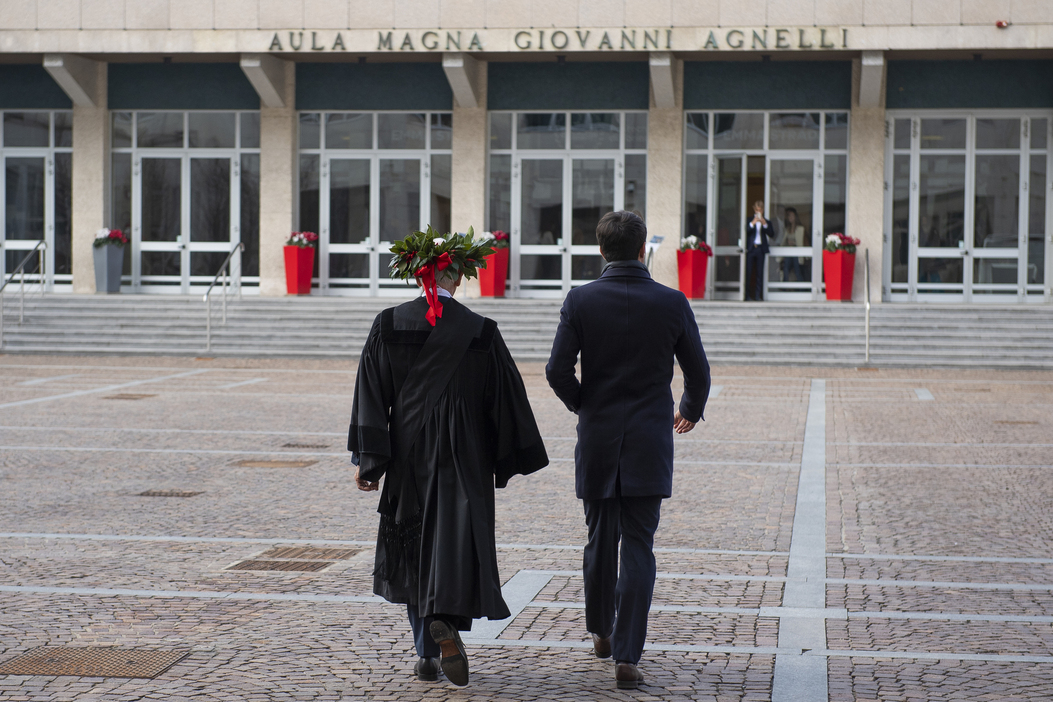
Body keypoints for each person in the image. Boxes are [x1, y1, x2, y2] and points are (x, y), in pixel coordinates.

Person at [348, 227, 549, 688]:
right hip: (466, 457)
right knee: (455, 546)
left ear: (417, 276)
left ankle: (425, 653)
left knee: (414, 547)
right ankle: (447, 630)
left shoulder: (388, 323)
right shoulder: (481, 331)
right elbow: (505, 400)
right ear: (457, 278)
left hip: (407, 453)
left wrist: (370, 458)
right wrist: (506, 457)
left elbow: (371, 396)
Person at [546, 211, 711, 690]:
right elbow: (698, 372)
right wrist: (690, 410)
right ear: (643, 250)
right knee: (638, 544)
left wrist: (586, 406)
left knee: (600, 537)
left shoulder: (580, 300)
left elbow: (557, 370)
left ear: (602, 251)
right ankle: (627, 654)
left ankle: (600, 629)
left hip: (598, 436)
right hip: (648, 440)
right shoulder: (671, 301)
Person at [745, 200, 774, 300]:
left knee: (759, 273)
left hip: (760, 250)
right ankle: (747, 295)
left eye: (760, 210)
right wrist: (753, 223)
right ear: (754, 209)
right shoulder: (749, 220)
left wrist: (764, 224)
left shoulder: (766, 221)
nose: (758, 211)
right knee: (748, 273)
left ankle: (758, 296)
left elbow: (771, 233)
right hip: (751, 249)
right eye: (757, 209)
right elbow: (746, 231)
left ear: (763, 210)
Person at [780, 207, 805, 283]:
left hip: (797, 253)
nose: (790, 218)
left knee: (797, 271)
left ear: (795, 217)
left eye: (792, 216)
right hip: (788, 252)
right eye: (789, 216)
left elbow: (801, 242)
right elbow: (783, 242)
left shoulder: (800, 228)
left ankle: (802, 290)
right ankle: (784, 288)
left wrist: (793, 243)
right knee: (786, 269)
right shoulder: (787, 228)